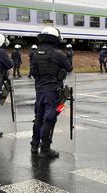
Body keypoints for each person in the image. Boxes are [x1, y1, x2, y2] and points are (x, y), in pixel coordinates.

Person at [30, 27, 73, 158]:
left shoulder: (36, 52)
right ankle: (45, 149)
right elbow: (69, 67)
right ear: (55, 38)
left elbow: (33, 72)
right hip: (52, 91)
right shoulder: (57, 53)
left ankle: (34, 145)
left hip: (39, 90)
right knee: (50, 119)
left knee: (38, 118)